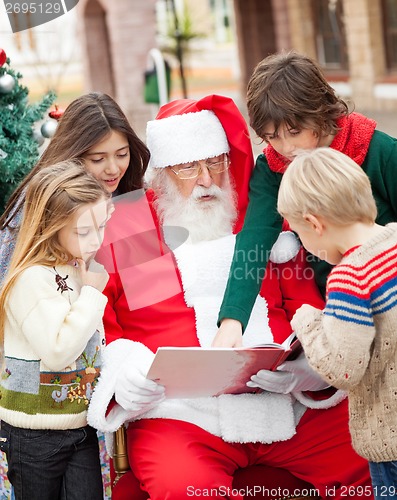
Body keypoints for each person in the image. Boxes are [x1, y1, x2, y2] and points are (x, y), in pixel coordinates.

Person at [87, 95, 373, 500]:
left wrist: (309, 369)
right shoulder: (133, 225)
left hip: (286, 401)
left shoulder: (257, 217)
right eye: (188, 166)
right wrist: (128, 375)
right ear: (163, 173)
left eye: (216, 162)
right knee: (184, 486)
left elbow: (311, 308)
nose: (206, 179)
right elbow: (106, 328)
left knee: (369, 455)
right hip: (182, 415)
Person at [214, 50, 397, 348]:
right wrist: (232, 321)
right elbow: (254, 240)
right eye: (272, 136)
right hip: (340, 313)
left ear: (319, 111)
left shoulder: (377, 149)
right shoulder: (273, 168)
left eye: (295, 131)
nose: (285, 147)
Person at [277, 147, 397, 499]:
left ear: (315, 224)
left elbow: (343, 370)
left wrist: (309, 321)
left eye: (301, 233)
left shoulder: (351, 276)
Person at [0, 161, 111, 500]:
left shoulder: (75, 267)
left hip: (79, 424)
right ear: (51, 225)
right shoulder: (31, 279)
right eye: (84, 231)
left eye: (101, 226)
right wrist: (93, 294)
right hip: (34, 431)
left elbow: (92, 343)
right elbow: (59, 351)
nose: (96, 241)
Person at [0, 91, 150, 287]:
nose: (113, 169)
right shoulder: (44, 197)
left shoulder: (129, 193)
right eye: (98, 159)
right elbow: (8, 277)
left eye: (122, 154)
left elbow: (149, 286)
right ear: (73, 154)